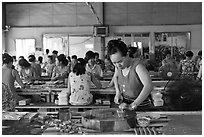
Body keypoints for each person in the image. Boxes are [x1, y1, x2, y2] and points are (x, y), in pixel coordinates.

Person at [107, 39, 153, 111]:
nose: (117, 65)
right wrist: (118, 92)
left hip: (141, 106)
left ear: (127, 55)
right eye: (114, 63)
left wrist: (133, 105)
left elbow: (149, 86)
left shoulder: (137, 66)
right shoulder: (118, 66)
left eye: (120, 61)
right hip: (125, 104)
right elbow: (115, 77)